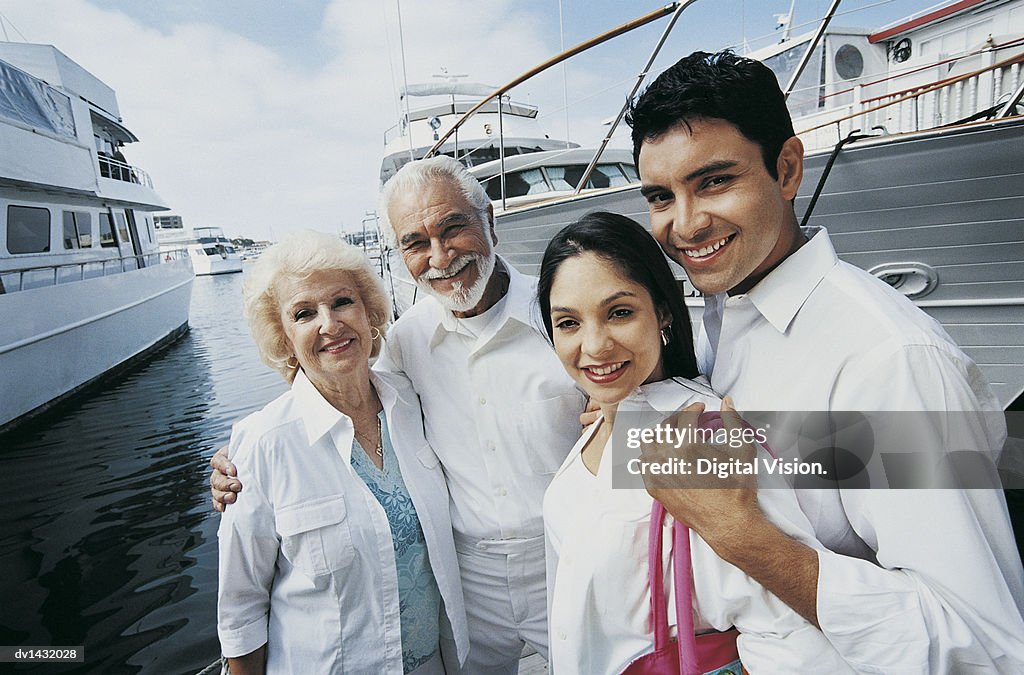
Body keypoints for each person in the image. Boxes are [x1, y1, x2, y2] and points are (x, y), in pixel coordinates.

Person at [627, 50, 1024, 671]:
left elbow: (983, 644)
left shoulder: (889, 360)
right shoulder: (722, 318)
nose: (685, 224)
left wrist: (748, 541)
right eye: (660, 196)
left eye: (714, 181)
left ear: (787, 171)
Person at [213, 156, 584, 673]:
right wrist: (242, 458)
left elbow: (658, 394)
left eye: (453, 228)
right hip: (467, 583)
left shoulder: (565, 314)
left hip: (571, 559)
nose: (440, 255)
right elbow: (332, 385)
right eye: (415, 243)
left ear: (489, 221)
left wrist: (700, 476)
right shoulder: (406, 344)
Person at [538, 212, 853, 674]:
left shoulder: (702, 438)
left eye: (619, 312)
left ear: (663, 311)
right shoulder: (604, 420)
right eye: (568, 323)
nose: (595, 345)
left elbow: (790, 632)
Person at [215, 230, 468, 674]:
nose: (330, 324)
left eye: (342, 302)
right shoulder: (263, 444)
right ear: (283, 336)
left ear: (369, 312)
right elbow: (241, 610)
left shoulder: (411, 402)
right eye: (304, 313)